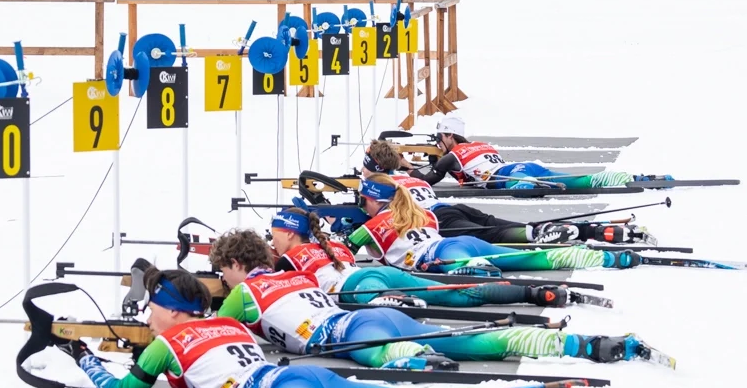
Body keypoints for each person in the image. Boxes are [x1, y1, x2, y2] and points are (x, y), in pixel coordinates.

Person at [66, 266, 593, 388]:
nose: (147, 316)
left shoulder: (168, 343)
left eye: (152, 307)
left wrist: (83, 356)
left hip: (287, 385)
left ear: (168, 309)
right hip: (314, 360)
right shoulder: (227, 325)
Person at [211, 230, 660, 369]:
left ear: (235, 266)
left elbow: (215, 330)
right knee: (466, 339)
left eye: (222, 272)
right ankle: (578, 344)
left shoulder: (245, 294)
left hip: (352, 329)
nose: (221, 280)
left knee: (390, 353)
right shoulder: (295, 278)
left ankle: (415, 358)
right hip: (370, 310)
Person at [267, 205, 608, 309]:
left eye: (273, 234)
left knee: (463, 284)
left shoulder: (291, 259)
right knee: (513, 258)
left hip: (365, 284)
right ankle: (536, 286)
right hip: (436, 249)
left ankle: (390, 301)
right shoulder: (418, 211)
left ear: (288, 233)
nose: (271, 241)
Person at [349, 182, 639, 276]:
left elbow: (345, 253)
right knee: (523, 251)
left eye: (363, 202)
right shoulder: (416, 209)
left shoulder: (372, 226)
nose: (362, 207)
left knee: (481, 270)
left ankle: (595, 255)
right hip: (452, 229)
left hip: (447, 249)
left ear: (375, 199)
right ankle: (592, 249)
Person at [363, 138, 584, 245]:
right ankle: (555, 229)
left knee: (491, 234)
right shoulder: (405, 177)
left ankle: (537, 233)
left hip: (437, 219)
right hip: (451, 210)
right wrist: (409, 166)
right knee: (497, 224)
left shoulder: (378, 186)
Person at [424, 116, 668, 191]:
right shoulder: (481, 144)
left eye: (439, 138)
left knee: (522, 190)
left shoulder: (452, 155)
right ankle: (636, 178)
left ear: (448, 136)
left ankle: (532, 185)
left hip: (513, 175)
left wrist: (401, 168)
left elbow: (429, 180)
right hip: (523, 167)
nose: (438, 142)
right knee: (582, 181)